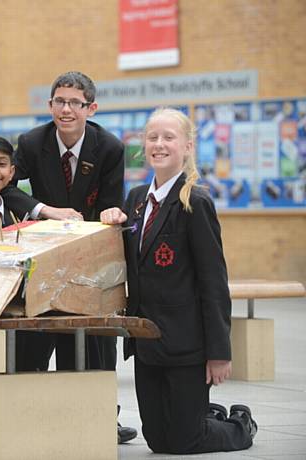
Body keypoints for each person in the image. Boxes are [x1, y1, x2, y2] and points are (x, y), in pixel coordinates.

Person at [100, 107, 257, 454]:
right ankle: (205, 413)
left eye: (168, 137)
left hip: (187, 343)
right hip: (147, 341)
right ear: (143, 144)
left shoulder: (196, 202)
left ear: (187, 146)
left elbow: (213, 280)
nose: (159, 144)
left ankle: (240, 424)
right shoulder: (137, 199)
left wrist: (219, 352)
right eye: (152, 137)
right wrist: (112, 223)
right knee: (157, 440)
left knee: (185, 442)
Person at [2, 71, 135, 443]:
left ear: (90, 108)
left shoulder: (109, 148)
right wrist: (46, 209)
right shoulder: (30, 143)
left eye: (75, 102)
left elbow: (111, 202)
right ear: (50, 106)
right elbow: (8, 190)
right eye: (59, 101)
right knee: (33, 338)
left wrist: (113, 213)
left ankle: (102, 414)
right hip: (40, 256)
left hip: (88, 260)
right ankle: (25, 417)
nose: (66, 109)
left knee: (94, 338)